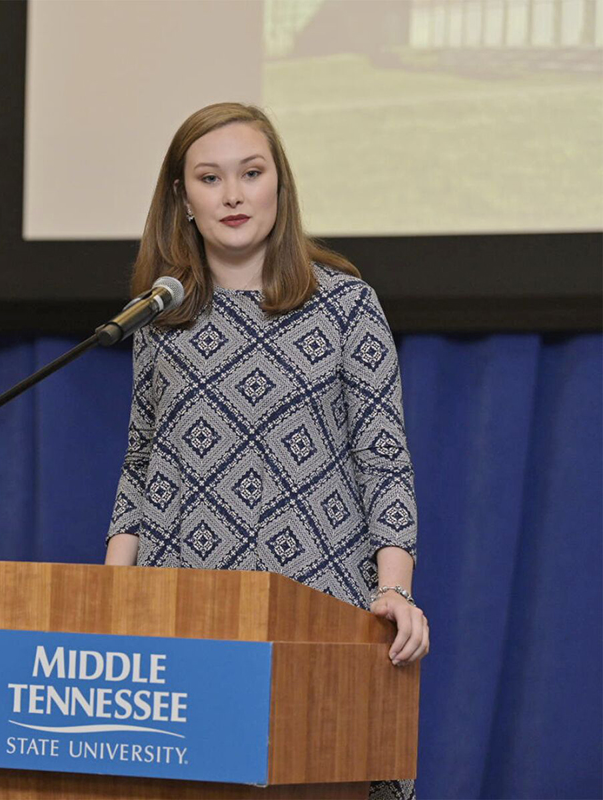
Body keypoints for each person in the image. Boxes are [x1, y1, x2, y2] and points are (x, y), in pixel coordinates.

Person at [102, 103, 428, 800]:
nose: (232, 194)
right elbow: (140, 469)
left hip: (318, 612)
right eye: (210, 177)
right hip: (183, 618)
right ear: (181, 199)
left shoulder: (347, 306)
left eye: (251, 173)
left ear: (280, 184)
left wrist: (394, 588)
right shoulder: (162, 318)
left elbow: (385, 463)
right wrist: (106, 602)